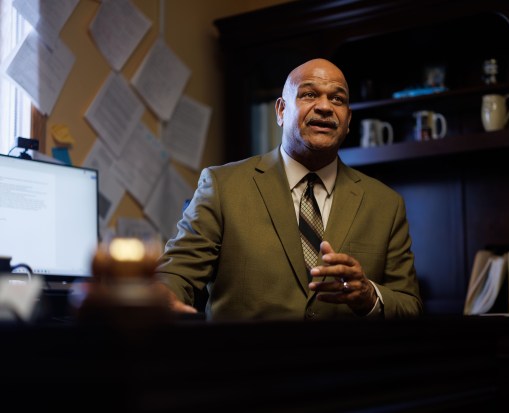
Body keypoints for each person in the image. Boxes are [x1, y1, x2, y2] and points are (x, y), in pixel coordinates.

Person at [155, 58, 423, 320]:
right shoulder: (222, 187)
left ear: (348, 120)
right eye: (309, 94)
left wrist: (369, 296)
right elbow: (176, 273)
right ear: (281, 111)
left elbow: (410, 306)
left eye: (337, 99)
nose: (325, 107)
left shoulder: (386, 204)